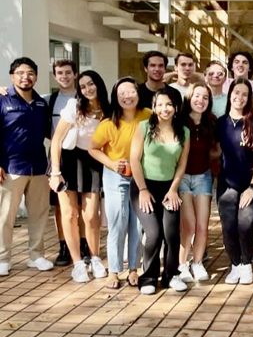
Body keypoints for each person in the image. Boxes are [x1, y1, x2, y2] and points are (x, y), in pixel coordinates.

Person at [89, 77, 151, 289]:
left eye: (131, 92)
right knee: (117, 222)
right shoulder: (108, 123)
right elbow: (93, 148)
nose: (127, 96)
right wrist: (112, 163)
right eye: (122, 93)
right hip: (116, 176)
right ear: (116, 97)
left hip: (140, 175)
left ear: (138, 93)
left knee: (137, 223)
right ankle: (113, 270)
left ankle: (134, 269)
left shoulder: (148, 116)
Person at [49, 71, 110, 282]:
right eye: (83, 86)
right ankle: (77, 263)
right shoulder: (74, 107)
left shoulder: (108, 110)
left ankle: (94, 257)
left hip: (93, 162)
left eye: (91, 84)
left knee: (91, 215)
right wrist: (55, 172)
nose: (87, 89)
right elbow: (56, 140)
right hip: (68, 162)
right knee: (69, 214)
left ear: (99, 84)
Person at [130, 87, 190, 294]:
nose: (165, 109)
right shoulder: (144, 127)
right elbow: (134, 161)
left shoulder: (184, 131)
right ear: (154, 107)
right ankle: (148, 277)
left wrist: (173, 190)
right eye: (160, 104)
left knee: (172, 234)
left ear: (176, 107)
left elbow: (181, 165)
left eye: (169, 104)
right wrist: (143, 190)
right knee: (154, 233)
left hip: (169, 188)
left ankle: (171, 275)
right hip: (143, 186)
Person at [0, 57, 54, 275]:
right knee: (5, 216)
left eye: (30, 72)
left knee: (39, 213)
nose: (26, 77)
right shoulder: (2, 99)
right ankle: (3, 258)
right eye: (21, 73)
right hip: (10, 167)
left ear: (36, 76)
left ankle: (36, 255)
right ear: (12, 76)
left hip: (39, 167)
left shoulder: (42, 103)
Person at [216, 79, 253, 284]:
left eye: (245, 94)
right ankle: (235, 264)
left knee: (245, 225)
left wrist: (252, 187)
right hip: (227, 184)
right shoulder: (220, 123)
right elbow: (217, 151)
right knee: (228, 226)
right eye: (236, 93)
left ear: (249, 98)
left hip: (252, 184)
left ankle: (247, 265)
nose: (240, 97)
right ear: (229, 95)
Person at [178, 82, 216, 283]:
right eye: (197, 96)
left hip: (203, 177)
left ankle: (197, 262)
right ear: (189, 98)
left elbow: (217, 149)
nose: (200, 101)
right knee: (189, 225)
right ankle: (182, 265)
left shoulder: (211, 122)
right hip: (182, 177)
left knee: (202, 225)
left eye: (205, 97)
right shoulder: (179, 121)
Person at [45, 59, 79, 267]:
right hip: (59, 156)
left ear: (75, 74)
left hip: (83, 155)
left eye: (68, 72)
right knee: (61, 204)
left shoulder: (82, 96)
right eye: (60, 73)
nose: (64, 76)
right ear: (55, 76)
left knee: (83, 204)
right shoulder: (49, 100)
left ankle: (82, 244)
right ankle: (64, 245)